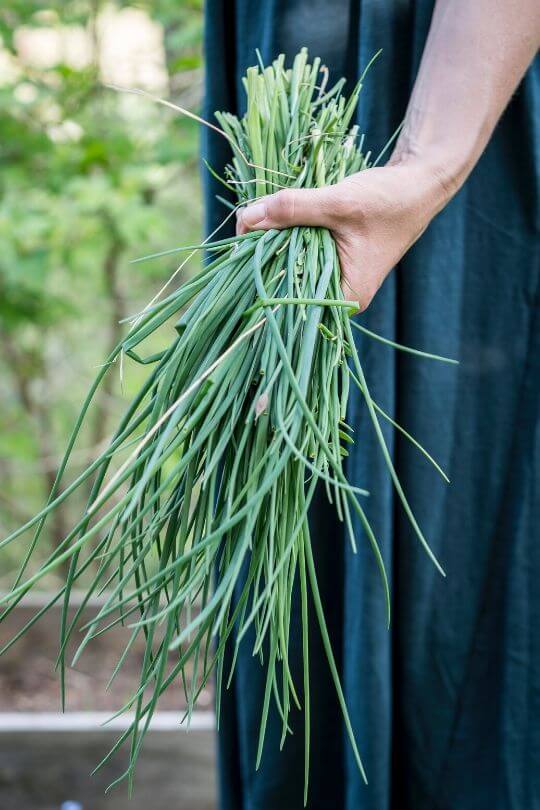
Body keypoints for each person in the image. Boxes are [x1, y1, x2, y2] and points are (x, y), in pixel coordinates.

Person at [203, 2, 540, 808]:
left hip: (451, 84)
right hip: (289, 76)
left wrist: (427, 167)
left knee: (453, 563)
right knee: (293, 552)